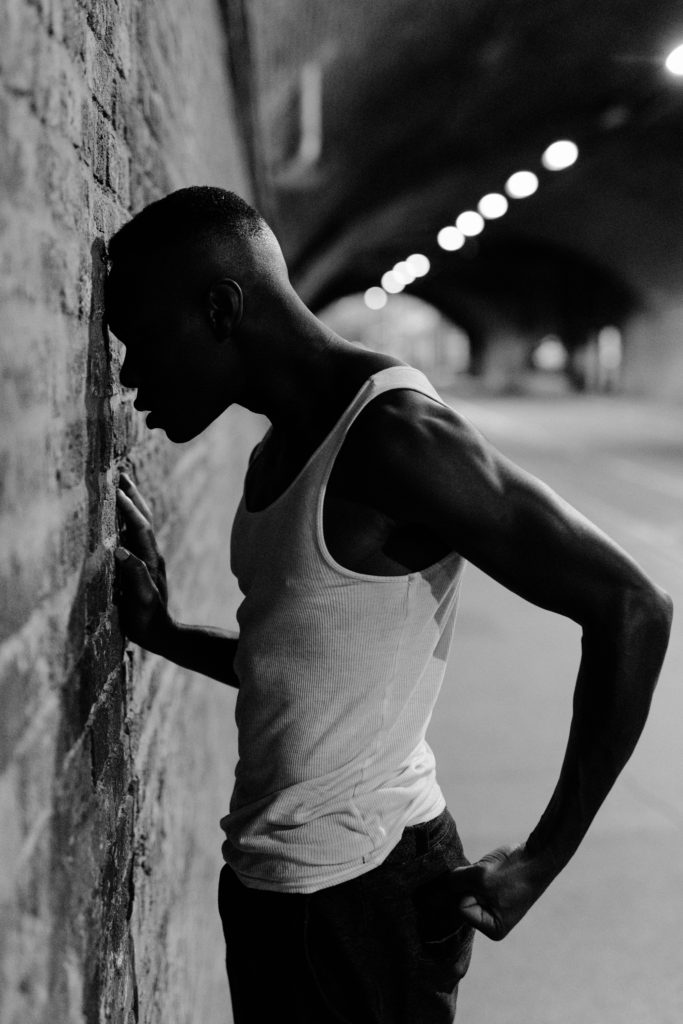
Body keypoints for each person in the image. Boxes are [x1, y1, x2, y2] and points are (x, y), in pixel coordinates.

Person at [107, 186, 672, 1024]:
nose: (129, 376)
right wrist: (162, 634)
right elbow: (302, 664)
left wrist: (540, 859)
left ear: (222, 307)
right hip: (276, 886)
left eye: (143, 341)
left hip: (363, 896)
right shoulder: (283, 447)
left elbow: (631, 606)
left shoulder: (395, 439)